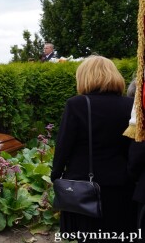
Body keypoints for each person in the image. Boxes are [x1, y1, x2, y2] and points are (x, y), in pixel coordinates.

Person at [50, 55, 136, 237]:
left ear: (84, 77)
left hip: (84, 189)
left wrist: (56, 175)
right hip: (122, 186)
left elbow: (64, 146)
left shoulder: (76, 105)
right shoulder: (131, 105)